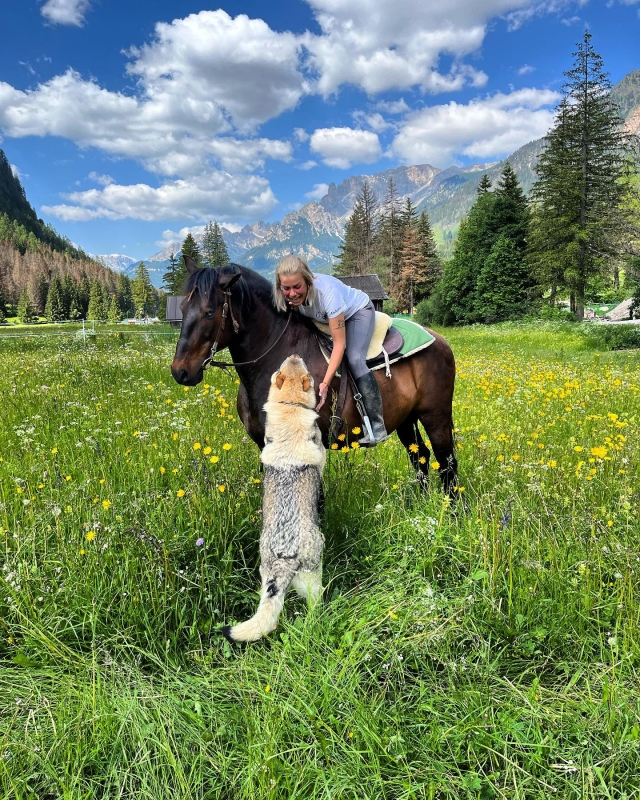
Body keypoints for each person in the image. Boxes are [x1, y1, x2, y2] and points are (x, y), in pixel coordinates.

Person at [273, 254, 389, 446]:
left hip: (356, 313)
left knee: (354, 358)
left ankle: (377, 426)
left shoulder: (328, 293)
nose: (292, 294)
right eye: (286, 288)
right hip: (324, 319)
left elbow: (339, 344)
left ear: (308, 281)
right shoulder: (285, 297)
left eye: (297, 287)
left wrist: (325, 383)